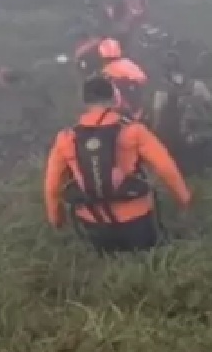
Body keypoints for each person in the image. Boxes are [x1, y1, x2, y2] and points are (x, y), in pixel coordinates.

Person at [43, 76, 192, 253]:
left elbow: (52, 186)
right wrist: (184, 202)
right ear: (114, 98)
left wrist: (56, 219)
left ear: (84, 102)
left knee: (105, 261)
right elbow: (167, 169)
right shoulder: (134, 131)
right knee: (148, 258)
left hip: (93, 222)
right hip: (136, 220)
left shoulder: (66, 137)